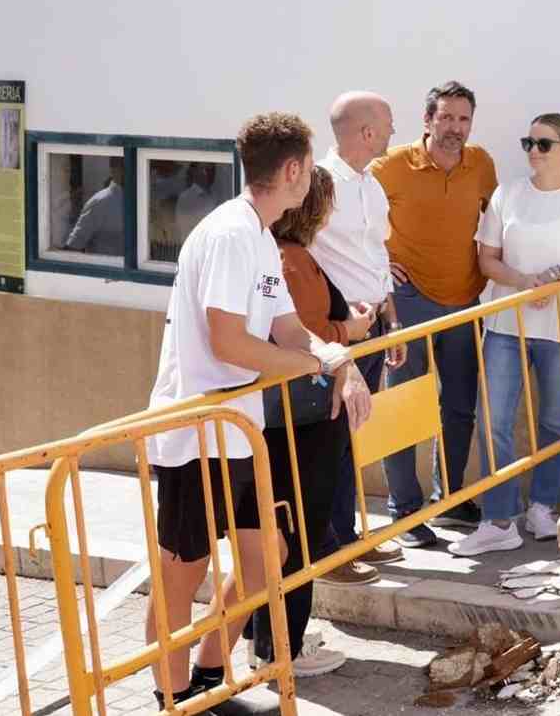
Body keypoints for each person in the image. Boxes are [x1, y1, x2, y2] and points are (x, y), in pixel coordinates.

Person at [142, 113, 371, 708]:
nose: (312, 179)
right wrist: (306, 366)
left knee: (266, 558)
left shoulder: (261, 236)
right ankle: (173, 699)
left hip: (237, 431)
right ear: (292, 170)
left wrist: (333, 359)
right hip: (194, 432)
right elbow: (228, 341)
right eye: (310, 166)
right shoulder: (230, 235)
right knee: (180, 577)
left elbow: (289, 328)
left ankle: (209, 679)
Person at [453, 113, 560, 555]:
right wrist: (527, 283)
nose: (534, 151)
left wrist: (556, 275)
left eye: (544, 143)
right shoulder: (508, 194)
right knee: (494, 420)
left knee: (555, 421)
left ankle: (542, 506)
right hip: (508, 321)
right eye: (529, 142)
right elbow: (488, 259)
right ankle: (498, 518)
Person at [243, 166, 376, 676]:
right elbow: (305, 332)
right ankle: (283, 650)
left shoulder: (275, 254)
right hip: (304, 417)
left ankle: (270, 642)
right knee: (296, 533)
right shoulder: (292, 260)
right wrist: (352, 327)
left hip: (285, 416)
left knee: (278, 533)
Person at [371, 81, 497, 546]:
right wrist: (378, 261)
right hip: (409, 302)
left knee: (460, 406)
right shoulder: (391, 167)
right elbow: (345, 219)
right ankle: (405, 512)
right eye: (445, 118)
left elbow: (499, 219)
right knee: (403, 408)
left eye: (463, 119)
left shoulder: (480, 164)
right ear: (427, 120)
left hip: (465, 299)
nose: (454, 128)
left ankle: (451, 497)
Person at [312, 92, 408, 568]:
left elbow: (376, 255)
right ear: (367, 132)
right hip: (334, 338)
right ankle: (330, 546)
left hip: (372, 332)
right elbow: (300, 259)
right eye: (388, 123)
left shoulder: (372, 184)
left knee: (353, 435)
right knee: (330, 440)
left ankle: (347, 537)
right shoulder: (318, 186)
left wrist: (392, 319)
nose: (394, 131)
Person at [64, 159, 125, 255]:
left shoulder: (143, 198)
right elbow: (74, 245)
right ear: (113, 169)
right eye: (122, 166)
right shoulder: (101, 201)